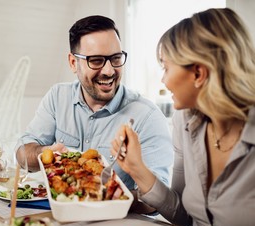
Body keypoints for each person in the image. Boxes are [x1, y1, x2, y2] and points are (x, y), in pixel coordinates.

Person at [112, 8, 255, 226]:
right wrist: (137, 169)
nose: (163, 80)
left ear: (198, 73)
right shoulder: (185, 120)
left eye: (166, 68)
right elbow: (183, 217)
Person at [20, 15, 173, 191]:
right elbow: (22, 153)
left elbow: (159, 199)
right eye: (96, 61)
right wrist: (45, 153)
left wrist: (112, 194)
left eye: (116, 58)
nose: (109, 71)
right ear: (73, 63)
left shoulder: (147, 117)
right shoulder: (57, 97)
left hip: (118, 218)